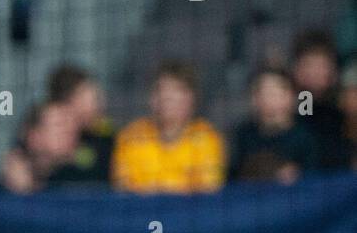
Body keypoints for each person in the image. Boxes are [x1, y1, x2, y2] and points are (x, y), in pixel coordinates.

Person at [112, 61, 226, 194]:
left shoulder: (206, 138)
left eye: (176, 90)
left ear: (192, 98)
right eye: (160, 89)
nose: (166, 97)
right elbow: (123, 190)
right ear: (151, 98)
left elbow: (208, 191)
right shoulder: (132, 136)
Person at [229, 66, 318, 183]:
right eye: (263, 91)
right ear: (254, 98)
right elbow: (233, 179)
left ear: (291, 96)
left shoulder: (305, 138)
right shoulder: (244, 135)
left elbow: (315, 182)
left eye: (276, 92)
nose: (269, 98)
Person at [291, 30, 354, 171]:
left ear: (333, 70)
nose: (315, 72)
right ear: (297, 69)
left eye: (321, 65)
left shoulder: (344, 111)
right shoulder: (297, 108)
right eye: (308, 64)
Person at [45, 65, 115, 185]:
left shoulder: (104, 137)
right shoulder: (45, 132)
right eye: (95, 99)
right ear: (71, 100)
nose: (101, 106)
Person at [0, 102, 79, 194]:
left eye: (73, 126)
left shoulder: (81, 179)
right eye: (60, 125)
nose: (71, 132)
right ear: (33, 136)